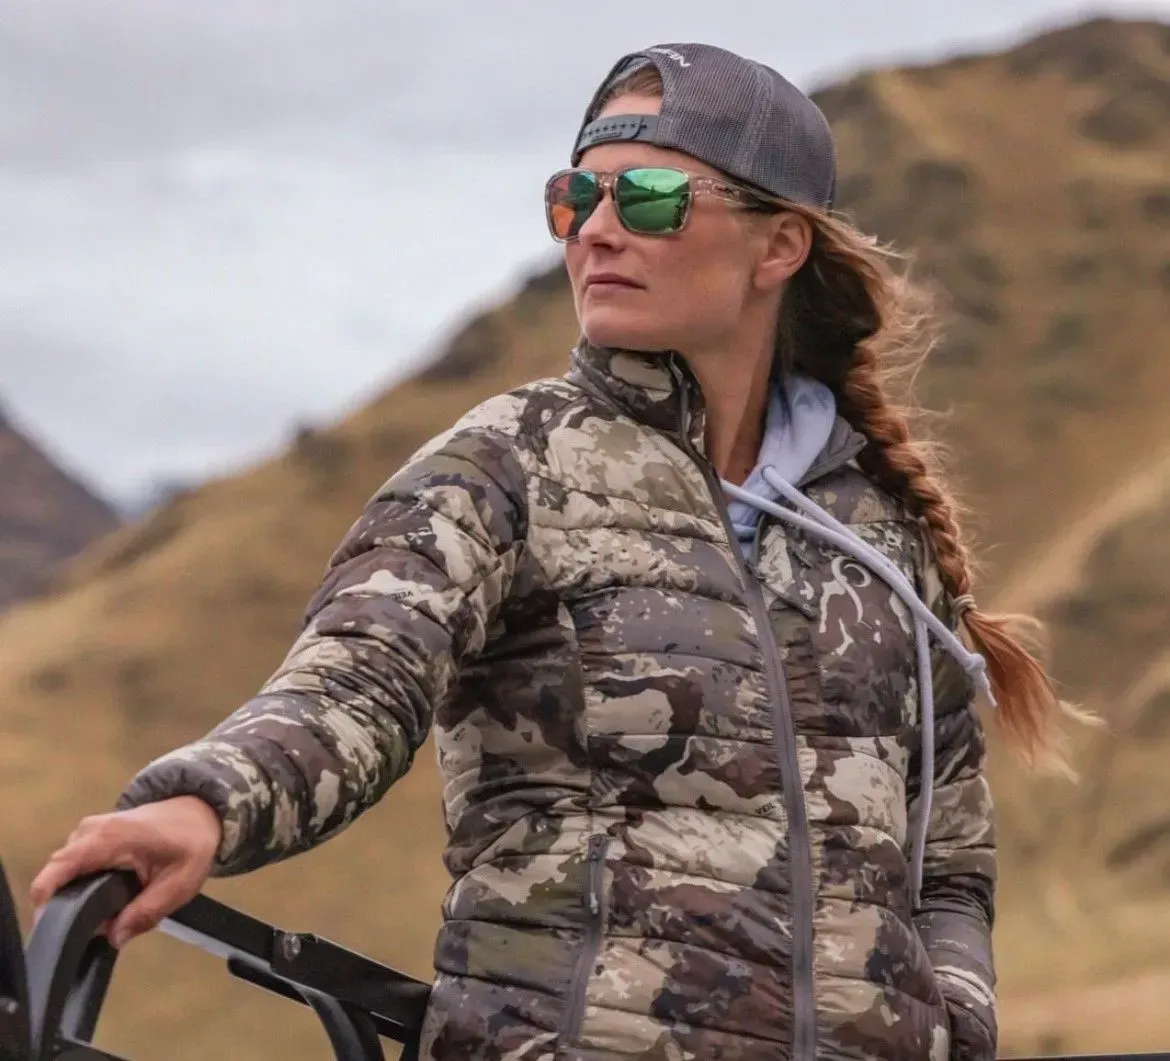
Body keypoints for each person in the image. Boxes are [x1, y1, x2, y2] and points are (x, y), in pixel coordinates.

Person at [31, 42, 1078, 1061]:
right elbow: (359, 676)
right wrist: (204, 800)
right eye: (575, 201)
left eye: (651, 200)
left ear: (779, 246)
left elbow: (947, 852)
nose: (598, 232)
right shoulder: (508, 463)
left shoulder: (882, 534)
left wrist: (954, 1023)